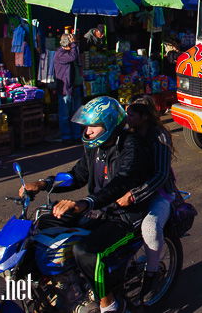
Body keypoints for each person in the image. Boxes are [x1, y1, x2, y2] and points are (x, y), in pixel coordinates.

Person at [20, 97, 152, 313]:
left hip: (127, 217)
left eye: (93, 126)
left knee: (86, 251)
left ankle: (108, 304)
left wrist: (86, 202)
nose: (88, 131)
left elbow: (121, 183)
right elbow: (76, 175)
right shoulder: (95, 147)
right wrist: (44, 183)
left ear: (109, 125)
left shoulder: (131, 146)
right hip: (99, 211)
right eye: (87, 126)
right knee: (45, 225)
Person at [117, 95, 178, 305]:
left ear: (144, 116)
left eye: (131, 114)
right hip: (128, 191)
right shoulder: (126, 134)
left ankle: (151, 274)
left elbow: (161, 175)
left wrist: (135, 195)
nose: (127, 117)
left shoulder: (159, 137)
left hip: (157, 194)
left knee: (150, 228)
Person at [53, 34, 81, 142]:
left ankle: (76, 134)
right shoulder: (60, 54)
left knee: (76, 113)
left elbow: (75, 55)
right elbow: (73, 56)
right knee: (65, 114)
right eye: (72, 44)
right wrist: (74, 44)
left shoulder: (70, 52)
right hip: (65, 88)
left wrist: (75, 45)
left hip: (73, 86)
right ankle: (66, 136)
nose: (74, 46)